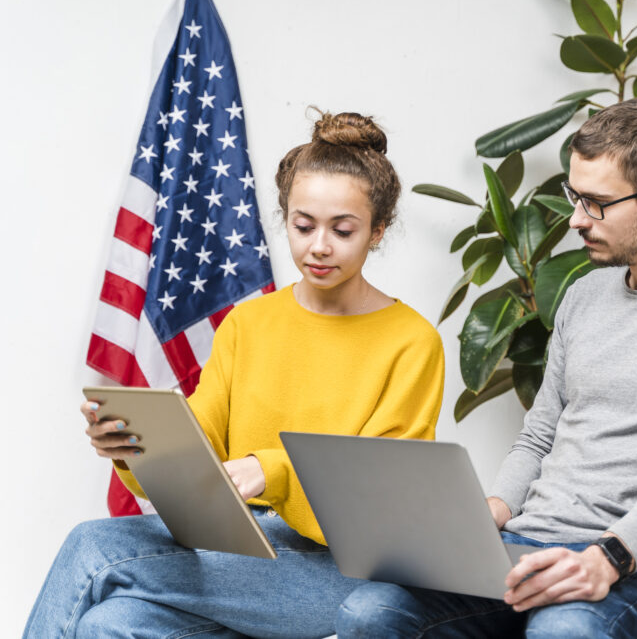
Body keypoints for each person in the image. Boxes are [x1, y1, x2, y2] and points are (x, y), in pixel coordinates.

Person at [334, 97, 637, 638]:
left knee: (564, 632)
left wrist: (609, 557)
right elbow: (539, 435)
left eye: (596, 203)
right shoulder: (583, 295)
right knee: (372, 613)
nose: (575, 220)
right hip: (529, 544)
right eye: (575, 197)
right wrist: (491, 512)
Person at [24, 111, 445, 639]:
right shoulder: (250, 323)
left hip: (339, 572)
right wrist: (134, 448)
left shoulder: (411, 340)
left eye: (342, 230)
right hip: (237, 554)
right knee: (111, 624)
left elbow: (382, 494)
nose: (319, 246)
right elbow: (199, 439)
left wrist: (273, 470)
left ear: (378, 231)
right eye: (303, 225)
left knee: (94, 546)